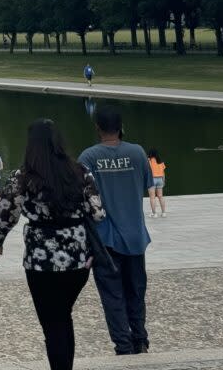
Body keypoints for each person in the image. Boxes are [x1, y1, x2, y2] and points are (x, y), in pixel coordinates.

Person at [0, 119, 105, 370]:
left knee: (52, 322)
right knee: (63, 316)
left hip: (41, 261)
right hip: (77, 258)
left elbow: (5, 213)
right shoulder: (80, 172)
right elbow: (97, 212)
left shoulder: (23, 177)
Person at [79, 104, 154, 355]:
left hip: (105, 239)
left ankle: (123, 345)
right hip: (135, 235)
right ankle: (140, 339)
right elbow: (145, 184)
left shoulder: (88, 157)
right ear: (121, 127)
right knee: (136, 291)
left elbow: (82, 199)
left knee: (113, 296)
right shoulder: (138, 153)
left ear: (97, 128)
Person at [147, 149, 167, 218]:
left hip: (152, 179)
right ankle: (164, 213)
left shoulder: (148, 161)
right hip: (160, 179)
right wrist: (163, 181)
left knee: (152, 197)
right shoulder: (160, 161)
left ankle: (154, 213)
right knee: (160, 196)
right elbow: (163, 172)